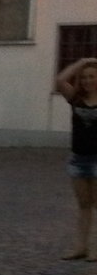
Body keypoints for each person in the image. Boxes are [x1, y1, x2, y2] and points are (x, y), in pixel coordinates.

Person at [56, 57, 97, 260]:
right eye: (84, 77)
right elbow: (60, 80)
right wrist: (82, 62)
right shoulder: (75, 98)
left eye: (92, 77)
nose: (88, 81)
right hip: (78, 160)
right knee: (83, 205)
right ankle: (81, 247)